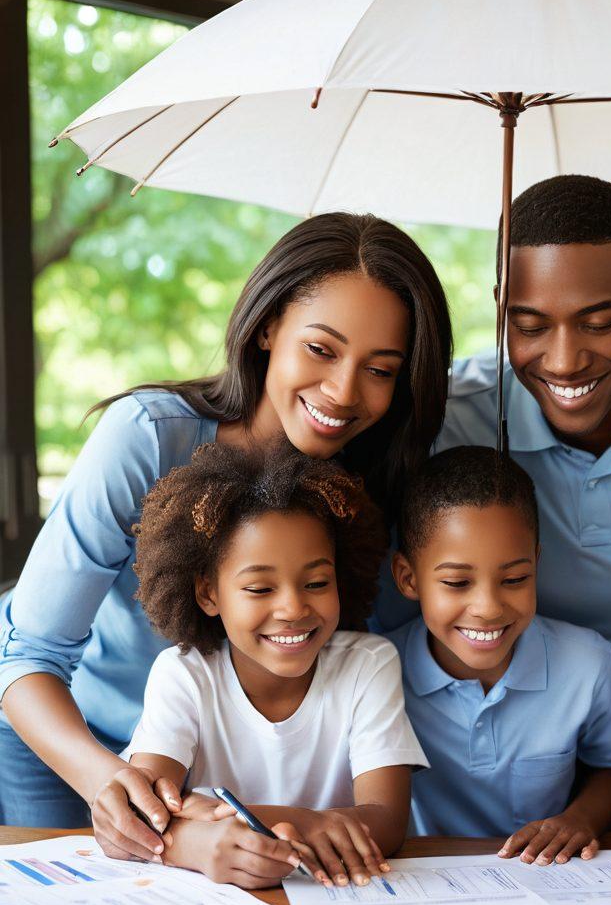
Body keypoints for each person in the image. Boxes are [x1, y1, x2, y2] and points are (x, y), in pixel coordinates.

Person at [0, 212, 452, 862]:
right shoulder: (148, 437)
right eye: (321, 350)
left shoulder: (380, 478)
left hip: (219, 782)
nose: (344, 391)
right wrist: (114, 784)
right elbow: (28, 654)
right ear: (268, 326)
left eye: (381, 369)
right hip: (73, 737)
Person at [376, 175, 611, 835]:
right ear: (501, 307)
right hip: (491, 753)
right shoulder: (445, 418)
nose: (563, 360)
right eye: (529, 326)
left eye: (599, 322)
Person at [125, 442, 425, 889]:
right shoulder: (184, 674)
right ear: (209, 593)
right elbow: (146, 810)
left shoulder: (368, 663)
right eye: (261, 588)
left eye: (316, 582)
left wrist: (253, 820)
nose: (292, 607)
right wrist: (203, 845)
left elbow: (387, 820)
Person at [386, 446, 611, 864]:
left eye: (515, 578)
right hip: (423, 878)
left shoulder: (587, 663)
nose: (488, 607)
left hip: (543, 877)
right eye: (456, 582)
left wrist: (581, 818)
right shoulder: (379, 672)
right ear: (408, 578)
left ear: (537, 565)